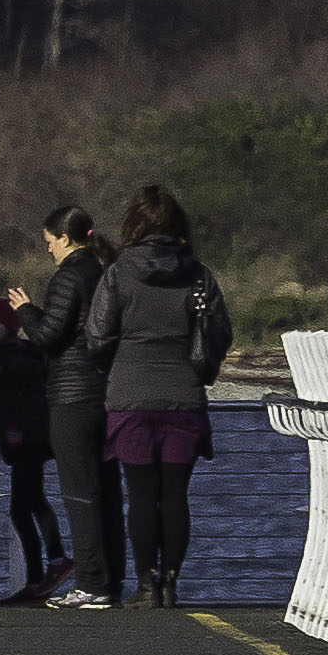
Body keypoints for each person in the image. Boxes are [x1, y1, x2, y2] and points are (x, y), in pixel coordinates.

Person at [83, 183, 232, 607]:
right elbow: (220, 332)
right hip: (183, 395)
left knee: (141, 495)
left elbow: (96, 336)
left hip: (130, 394)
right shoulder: (199, 274)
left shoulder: (118, 273)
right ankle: (170, 581)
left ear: (135, 224)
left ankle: (146, 583)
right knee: (175, 495)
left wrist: (116, 360)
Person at [7, 204, 127, 615]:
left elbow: (48, 336)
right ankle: (111, 579)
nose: (48, 251)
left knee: (79, 493)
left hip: (72, 396)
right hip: (105, 394)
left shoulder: (70, 276)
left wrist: (25, 309)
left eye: (49, 242)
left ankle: (91, 584)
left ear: (64, 238)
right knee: (106, 491)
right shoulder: (104, 273)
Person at [0, 296, 66, 600]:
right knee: (29, 504)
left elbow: (24, 402)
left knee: (26, 506)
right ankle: (41, 576)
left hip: (28, 440)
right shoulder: (5, 356)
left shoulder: (14, 356)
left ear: (8, 326)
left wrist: (16, 430)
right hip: (28, 440)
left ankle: (50, 565)